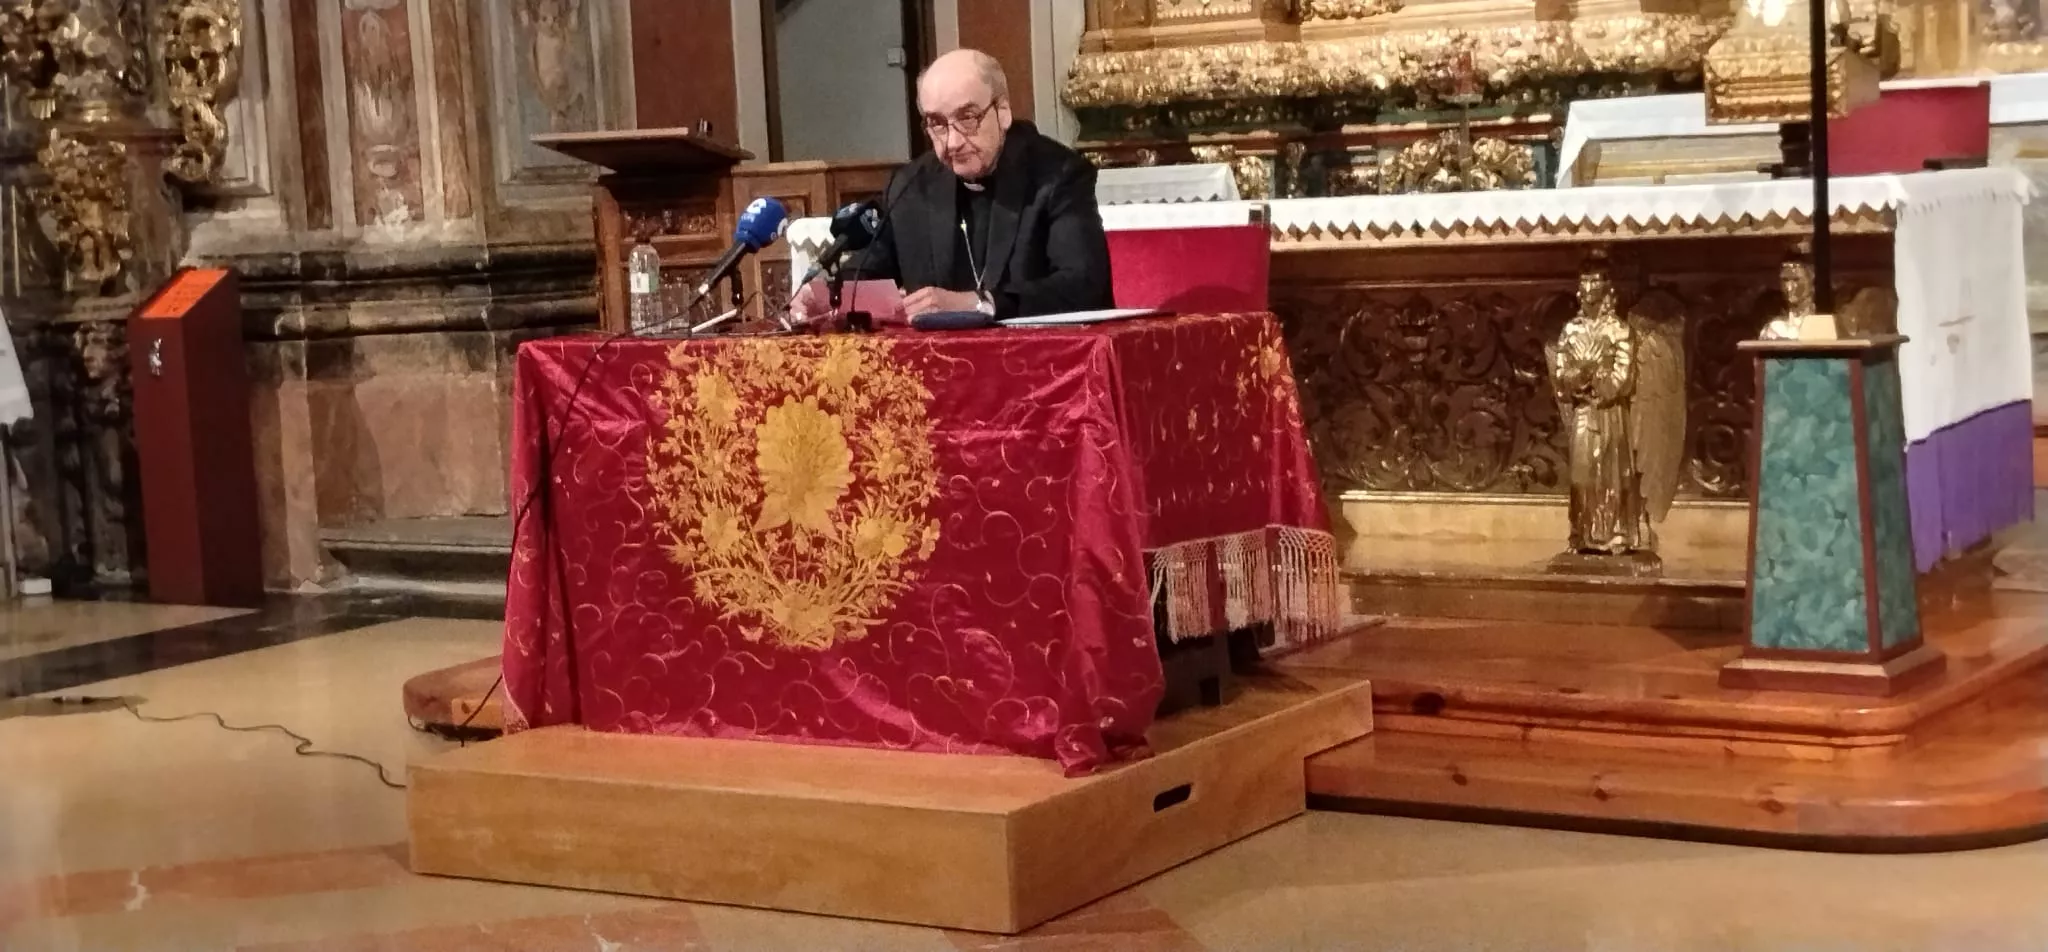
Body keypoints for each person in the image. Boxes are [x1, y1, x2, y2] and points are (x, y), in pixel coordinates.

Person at [810, 49, 1113, 322]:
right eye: (937, 123)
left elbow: (1083, 285)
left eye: (968, 118)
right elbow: (869, 270)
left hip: (1038, 359)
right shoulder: (912, 184)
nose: (953, 142)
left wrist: (980, 303)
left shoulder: (1057, 175)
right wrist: (824, 297)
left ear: (1003, 112)